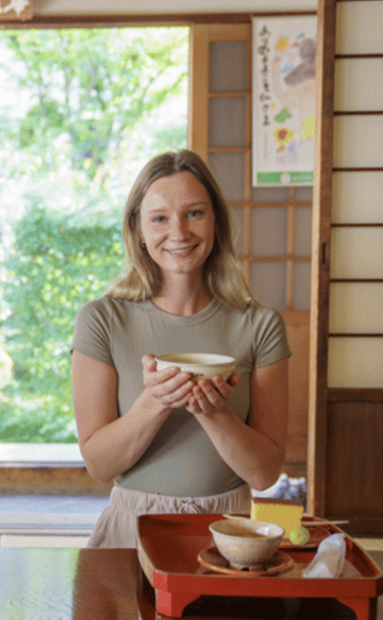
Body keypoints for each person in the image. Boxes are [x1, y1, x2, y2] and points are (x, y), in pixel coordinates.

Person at [71, 150, 290, 548]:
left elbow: (265, 475)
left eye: (194, 213)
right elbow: (100, 465)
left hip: (229, 533)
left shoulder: (260, 325)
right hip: (132, 528)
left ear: (217, 222)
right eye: (159, 218)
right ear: (137, 229)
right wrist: (154, 401)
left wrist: (215, 412)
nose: (179, 232)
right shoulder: (101, 319)